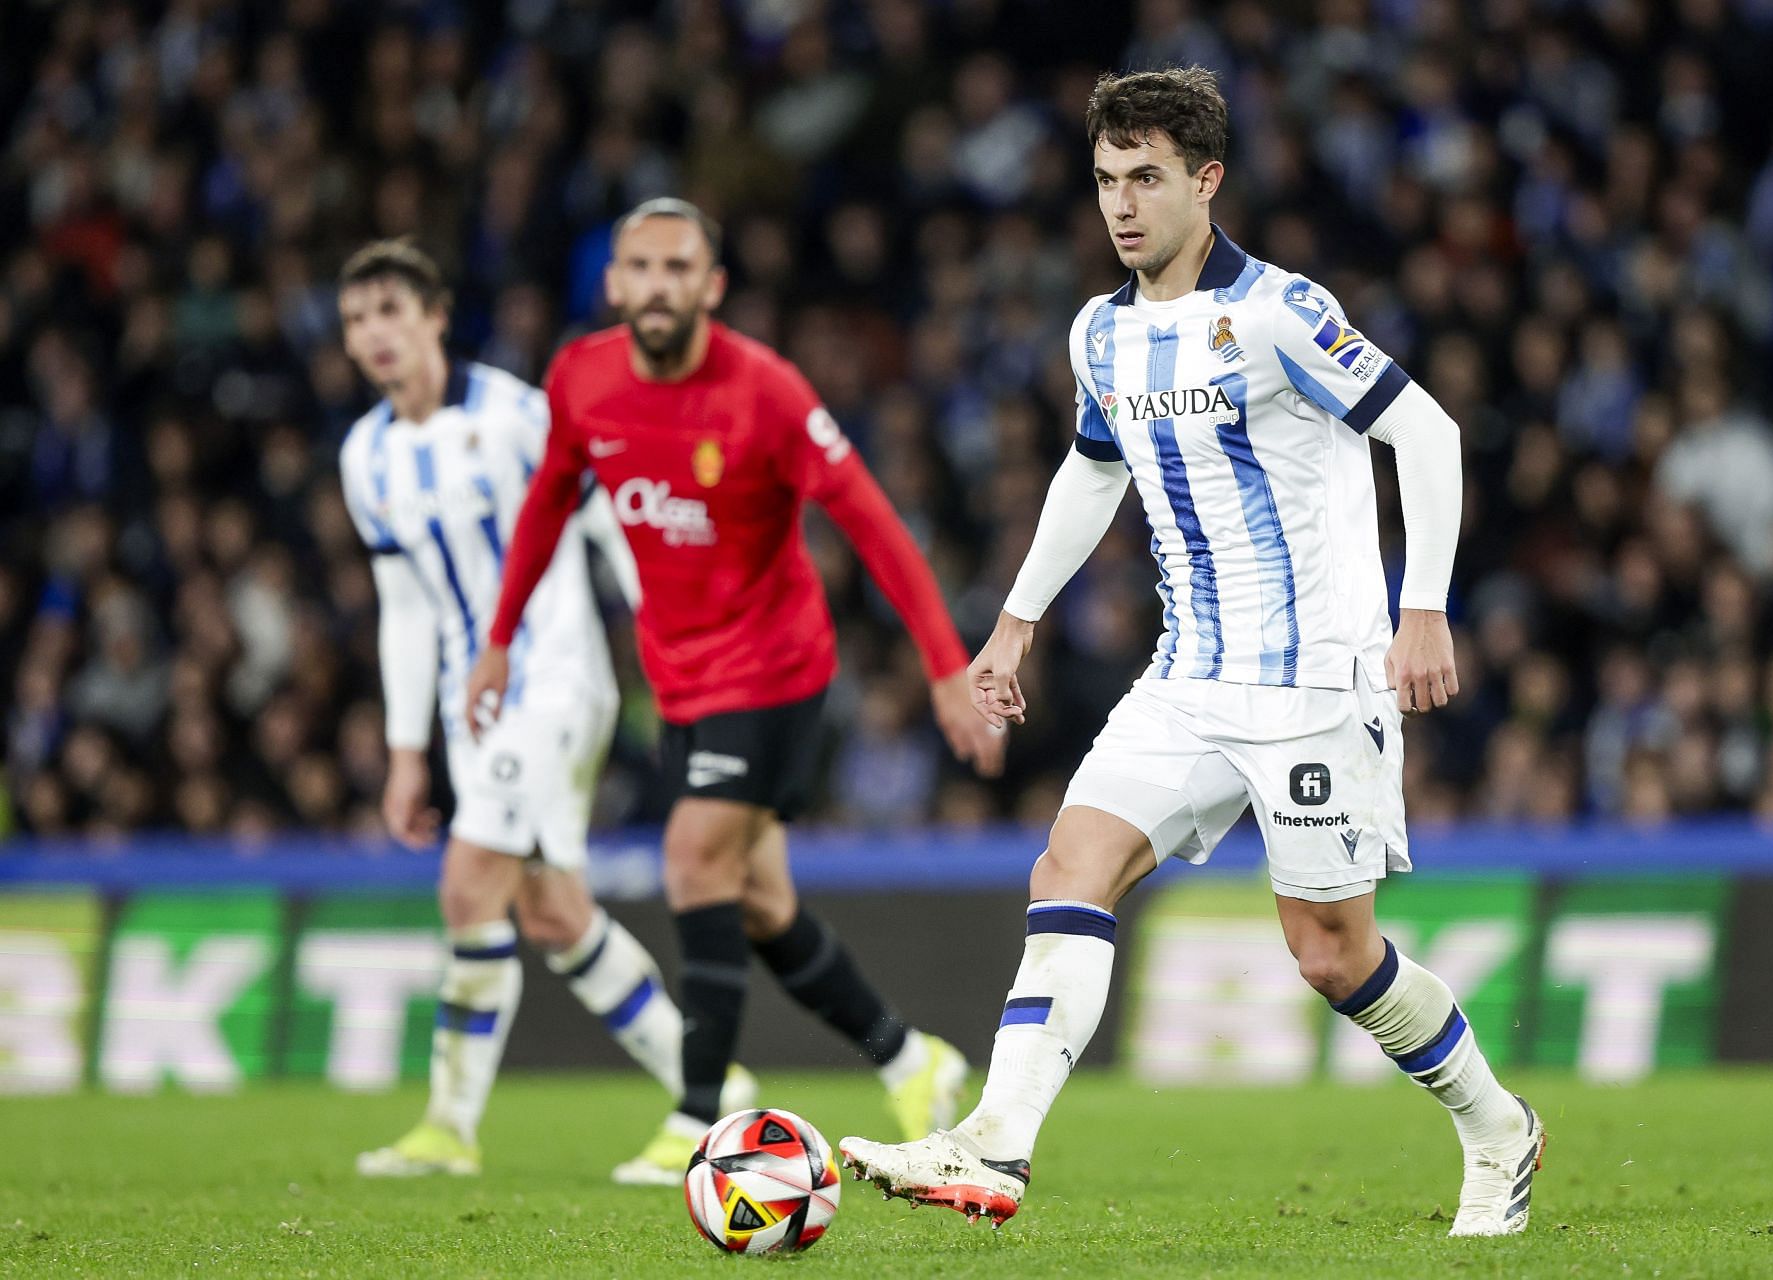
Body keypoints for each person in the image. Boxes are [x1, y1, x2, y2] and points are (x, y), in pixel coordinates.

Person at [838, 68, 1544, 1238]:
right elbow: (1092, 469)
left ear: (1206, 181)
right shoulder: (1101, 331)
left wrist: (1427, 608)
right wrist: (1014, 621)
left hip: (1320, 678)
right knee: (1069, 868)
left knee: (1331, 955)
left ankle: (1497, 1123)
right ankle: (997, 1149)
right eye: (1107, 179)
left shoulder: (1283, 313)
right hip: (1188, 677)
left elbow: (1427, 427)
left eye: (1147, 179)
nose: (1122, 204)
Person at [470, 198, 1004, 1185]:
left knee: (692, 861)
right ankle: (907, 1054)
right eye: (642, 266)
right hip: (679, 676)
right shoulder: (582, 378)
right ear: (616, 282)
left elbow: (876, 524)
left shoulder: (765, 392)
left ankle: (695, 1106)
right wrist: (497, 639)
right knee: (758, 900)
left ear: (712, 287)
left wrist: (942, 665)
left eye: (680, 267)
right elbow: (549, 499)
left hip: (774, 667)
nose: (659, 284)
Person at [336, 240, 748, 1180]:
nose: (375, 336)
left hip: (557, 678)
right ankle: (719, 1093)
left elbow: (612, 521)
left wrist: (670, 637)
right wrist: (408, 755)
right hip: (466, 705)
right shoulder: (365, 456)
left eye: (392, 312)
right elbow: (405, 610)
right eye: (358, 321)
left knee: (468, 883)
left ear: (436, 316)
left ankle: (447, 1128)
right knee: (556, 914)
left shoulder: (521, 415)